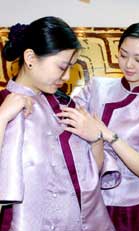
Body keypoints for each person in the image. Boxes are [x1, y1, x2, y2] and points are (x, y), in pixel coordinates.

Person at [0, 16, 115, 231]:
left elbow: (90, 177)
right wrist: (2, 117)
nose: (67, 76)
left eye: (71, 67)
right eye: (62, 67)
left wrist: (95, 138)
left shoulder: (66, 105)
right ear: (30, 57)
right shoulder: (3, 103)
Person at [60, 22, 139, 231]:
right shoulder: (96, 87)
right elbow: (65, 125)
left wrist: (107, 134)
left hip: (132, 209)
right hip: (88, 198)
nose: (129, 64)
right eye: (123, 55)